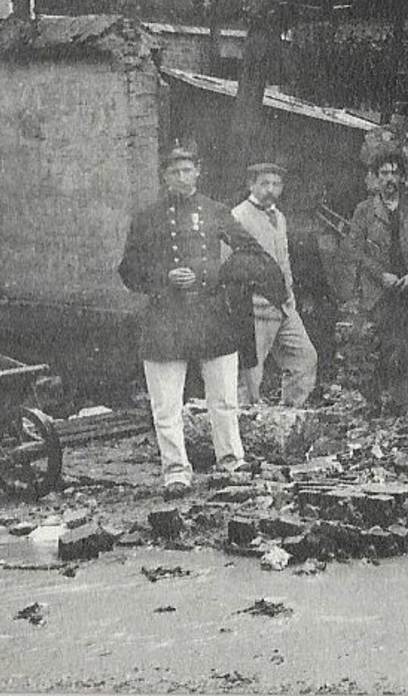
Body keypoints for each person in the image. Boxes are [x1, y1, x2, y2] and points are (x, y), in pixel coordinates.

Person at [118, 141, 259, 497]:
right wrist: (164, 277)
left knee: (225, 399)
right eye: (174, 172)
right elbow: (129, 271)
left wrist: (208, 274)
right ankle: (176, 470)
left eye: (187, 170)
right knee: (166, 405)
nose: (181, 177)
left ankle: (230, 462)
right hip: (166, 318)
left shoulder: (216, 211)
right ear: (164, 177)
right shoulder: (147, 218)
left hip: (210, 316)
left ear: (198, 172)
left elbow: (248, 253)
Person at [345, 148, 408, 413]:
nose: (389, 179)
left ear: (402, 178)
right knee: (392, 337)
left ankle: (387, 395)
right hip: (380, 289)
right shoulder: (365, 211)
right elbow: (354, 249)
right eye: (384, 173)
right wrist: (380, 275)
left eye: (394, 173)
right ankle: (395, 400)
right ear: (375, 178)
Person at [232, 161, 319, 407]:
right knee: (250, 374)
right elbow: (230, 266)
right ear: (251, 184)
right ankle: (244, 426)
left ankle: (287, 417)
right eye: (265, 183)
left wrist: (289, 294)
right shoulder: (239, 216)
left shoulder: (279, 217)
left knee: (304, 358)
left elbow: (284, 259)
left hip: (284, 305)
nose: (271, 189)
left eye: (276, 184)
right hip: (255, 307)